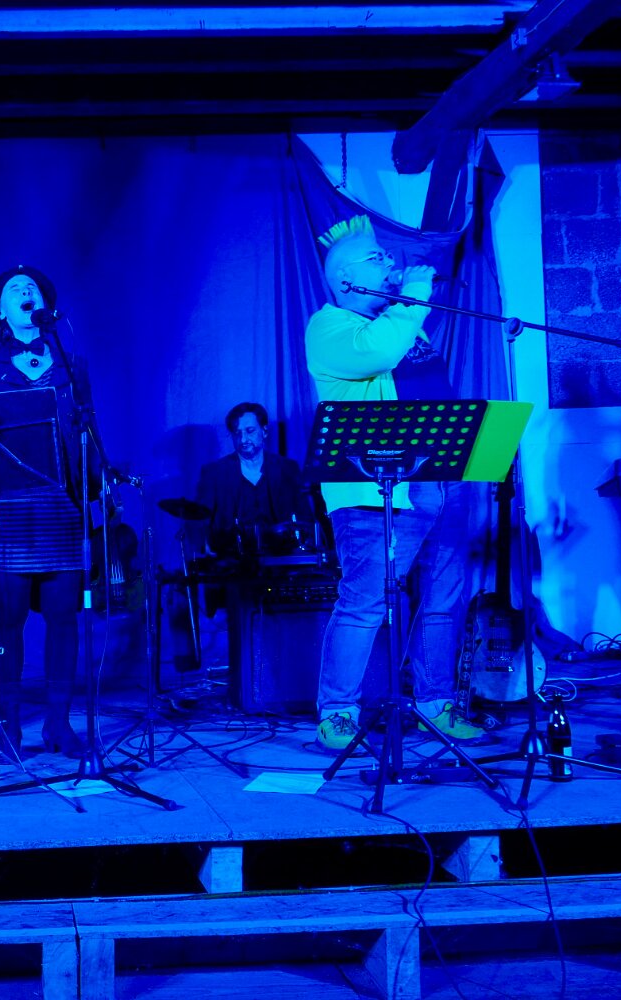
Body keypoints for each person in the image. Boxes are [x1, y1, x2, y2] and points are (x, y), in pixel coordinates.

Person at [304, 215, 487, 751]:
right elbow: (379, 353)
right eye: (377, 258)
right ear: (346, 278)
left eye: (389, 256)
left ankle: (435, 703)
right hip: (376, 490)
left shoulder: (406, 324)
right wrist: (414, 295)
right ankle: (337, 711)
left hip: (442, 478)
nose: (391, 263)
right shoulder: (329, 327)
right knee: (365, 601)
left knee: (444, 597)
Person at [0, 265, 91, 757]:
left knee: (63, 618)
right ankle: (7, 727)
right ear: (1, 311)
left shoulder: (71, 364)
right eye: (14, 290)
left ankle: (59, 724)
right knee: (8, 622)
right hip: (9, 509)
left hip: (60, 506)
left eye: (32, 288)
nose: (24, 292)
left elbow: (87, 432)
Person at [192, 402, 313, 559]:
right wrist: (205, 544)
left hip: (282, 557)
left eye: (250, 431)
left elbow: (305, 518)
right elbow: (200, 520)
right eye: (237, 433)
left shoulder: (287, 468)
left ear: (264, 431)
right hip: (232, 561)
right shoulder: (214, 472)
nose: (243, 439)